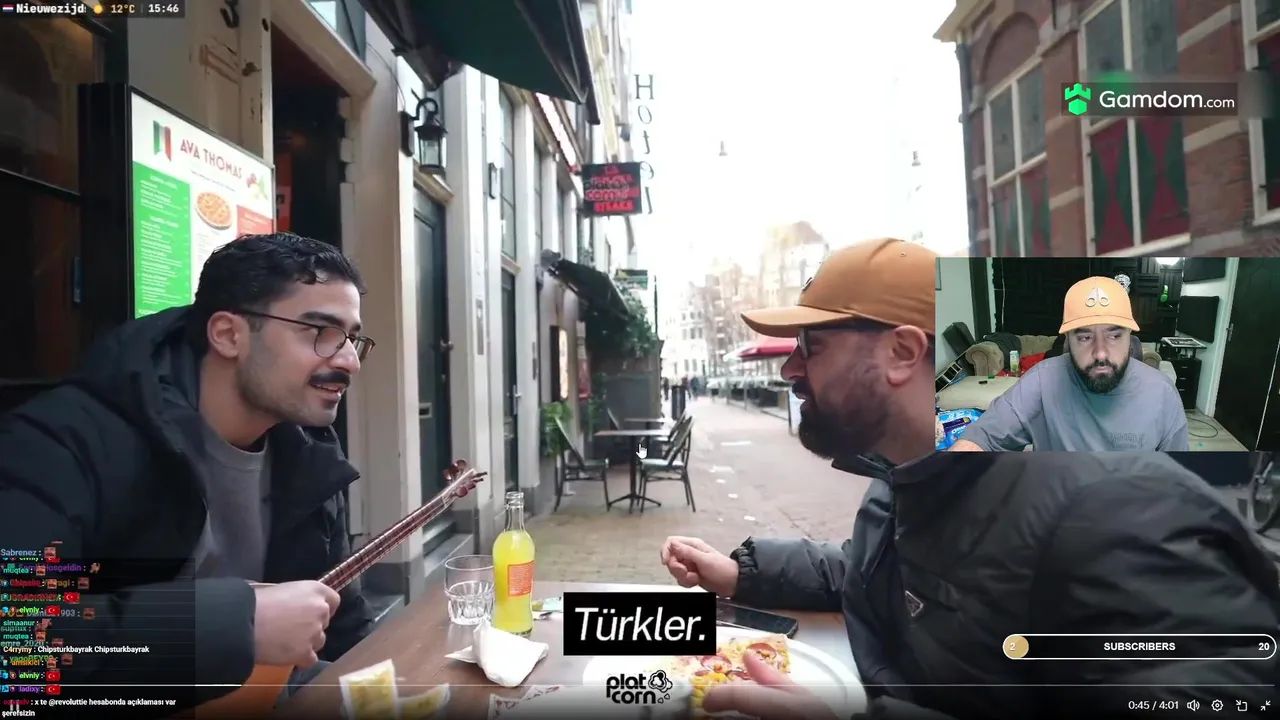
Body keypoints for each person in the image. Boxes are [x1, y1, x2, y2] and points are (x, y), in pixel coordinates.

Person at [658, 245, 1280, 718]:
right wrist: (743, 573)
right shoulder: (904, 480)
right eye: (1083, 336)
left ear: (903, 353)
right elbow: (884, 573)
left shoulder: (1120, 514)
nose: (790, 369)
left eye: (811, 345)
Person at [0, 233, 376, 709]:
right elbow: (18, 643)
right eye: (320, 331)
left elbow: (340, 621)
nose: (348, 361)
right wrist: (236, 624)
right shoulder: (61, 444)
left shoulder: (308, 452)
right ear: (228, 335)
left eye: (351, 338)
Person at [950, 276, 1188, 452]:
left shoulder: (1162, 392)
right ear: (1068, 340)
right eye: (1085, 337)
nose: (1100, 353)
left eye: (1114, 335)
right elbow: (983, 437)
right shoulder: (1041, 382)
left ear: (1130, 337)